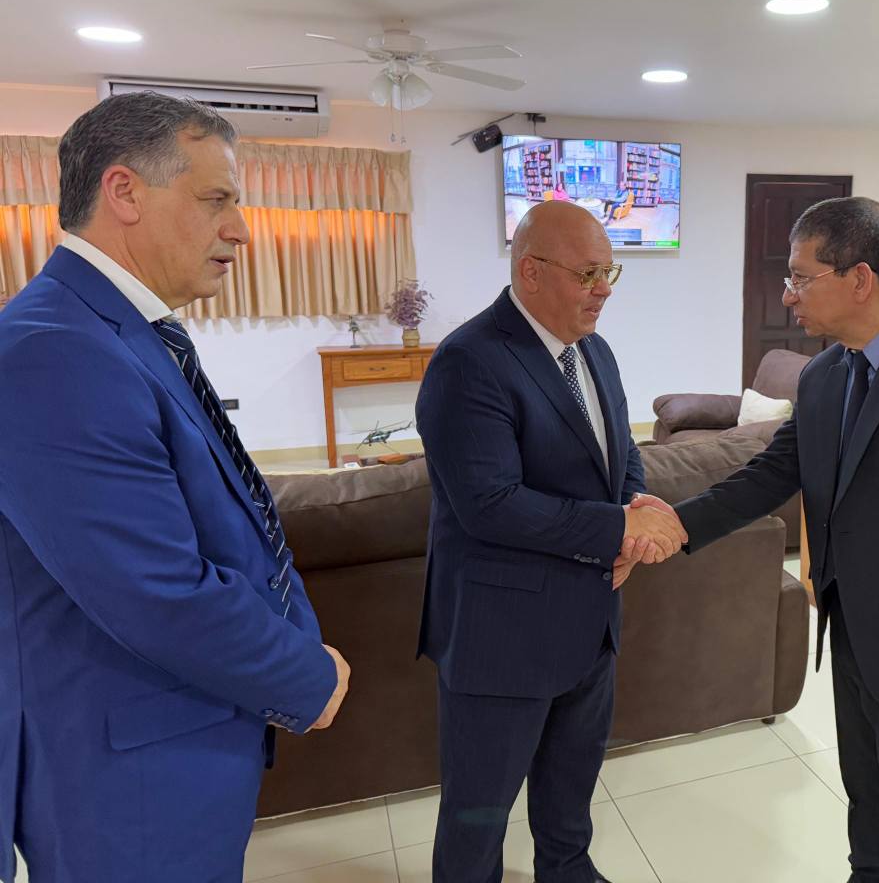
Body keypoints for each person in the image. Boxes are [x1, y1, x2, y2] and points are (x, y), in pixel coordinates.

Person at [0, 92, 349, 883]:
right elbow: (155, 590)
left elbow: (235, 522)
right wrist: (305, 672)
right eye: (215, 199)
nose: (241, 229)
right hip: (127, 778)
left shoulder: (124, 331)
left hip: (177, 739)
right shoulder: (53, 349)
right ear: (124, 191)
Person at [633, 196, 879, 882]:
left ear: (860, 278)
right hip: (850, 637)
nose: (788, 295)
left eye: (800, 277)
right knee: (868, 816)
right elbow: (769, 475)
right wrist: (675, 523)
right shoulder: (824, 376)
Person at [416, 200, 685, 883]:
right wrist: (619, 528)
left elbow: (620, 455)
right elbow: (489, 505)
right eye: (587, 273)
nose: (604, 290)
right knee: (479, 816)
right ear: (530, 272)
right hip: (501, 636)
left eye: (609, 272)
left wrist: (630, 514)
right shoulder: (468, 361)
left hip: (590, 621)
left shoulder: (595, 351)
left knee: (570, 796)